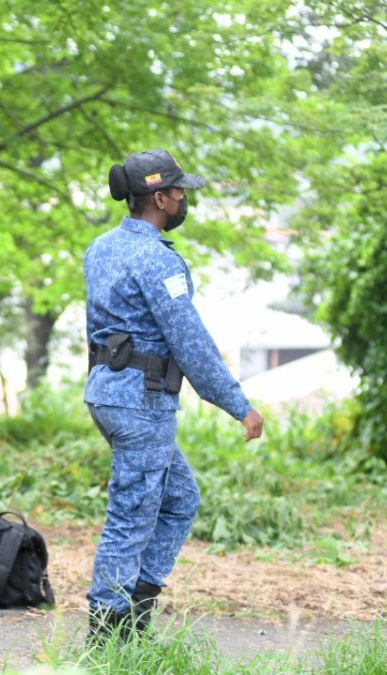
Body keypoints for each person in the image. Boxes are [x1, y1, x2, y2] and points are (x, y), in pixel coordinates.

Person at [83, 148, 264, 639]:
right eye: (180, 192)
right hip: (141, 400)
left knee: (180, 497)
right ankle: (107, 633)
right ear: (159, 198)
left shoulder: (100, 248)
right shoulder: (156, 259)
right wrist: (237, 404)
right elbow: (190, 341)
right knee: (130, 516)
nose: (185, 200)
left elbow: (96, 329)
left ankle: (136, 609)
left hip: (106, 393)